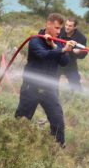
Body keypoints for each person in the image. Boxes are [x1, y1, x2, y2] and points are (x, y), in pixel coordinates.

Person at [15, 13, 76, 147]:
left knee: (58, 121)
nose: (59, 32)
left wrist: (56, 46)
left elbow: (64, 61)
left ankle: (57, 149)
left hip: (49, 88)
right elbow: (43, 55)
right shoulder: (35, 40)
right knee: (22, 120)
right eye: (56, 28)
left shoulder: (58, 41)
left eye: (60, 29)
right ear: (48, 24)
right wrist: (62, 50)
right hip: (31, 87)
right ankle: (15, 145)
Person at [58, 16, 88, 91]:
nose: (67, 27)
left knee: (75, 84)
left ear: (75, 27)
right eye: (66, 25)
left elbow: (83, 54)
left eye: (70, 26)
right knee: (50, 78)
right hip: (57, 61)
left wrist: (79, 52)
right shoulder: (59, 31)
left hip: (70, 63)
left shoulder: (81, 38)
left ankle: (77, 95)